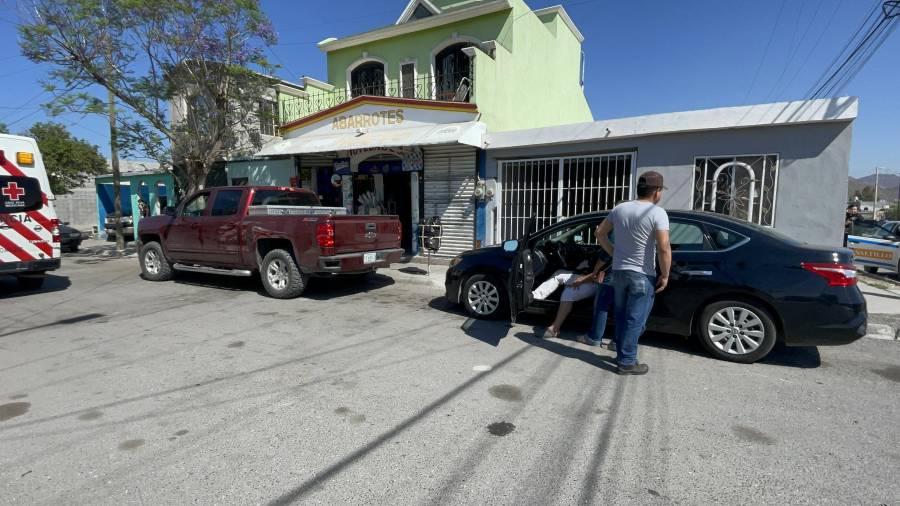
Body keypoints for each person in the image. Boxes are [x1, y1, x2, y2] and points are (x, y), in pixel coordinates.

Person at [595, 171, 672, 375]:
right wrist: (665, 275)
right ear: (656, 192)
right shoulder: (657, 213)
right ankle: (627, 362)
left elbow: (599, 233)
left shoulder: (620, 209)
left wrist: (614, 253)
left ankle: (622, 353)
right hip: (642, 275)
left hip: (619, 272)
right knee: (635, 320)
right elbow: (664, 247)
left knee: (622, 317)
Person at [533, 254, 602, 339]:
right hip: (588, 276)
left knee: (568, 293)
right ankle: (534, 297)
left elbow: (598, 276)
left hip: (596, 283)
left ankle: (554, 329)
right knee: (559, 274)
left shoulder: (609, 249)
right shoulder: (602, 249)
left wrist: (582, 280)